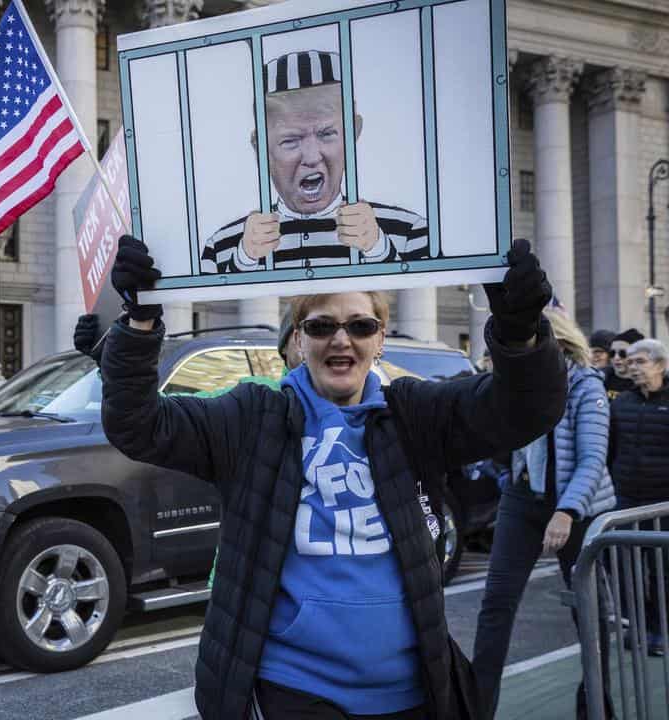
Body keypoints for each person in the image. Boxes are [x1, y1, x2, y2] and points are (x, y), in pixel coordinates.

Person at [100, 235, 565, 719]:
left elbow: (526, 410)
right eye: (322, 326)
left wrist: (519, 335)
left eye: (360, 326)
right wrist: (139, 323)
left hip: (411, 694)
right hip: (295, 691)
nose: (341, 340)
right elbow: (138, 425)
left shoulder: (413, 414)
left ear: (380, 339)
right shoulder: (253, 418)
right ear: (298, 340)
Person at [472, 308, 617, 717]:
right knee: (495, 605)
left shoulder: (586, 384)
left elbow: (592, 458)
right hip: (524, 499)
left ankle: (595, 707)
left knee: (589, 611)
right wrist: (509, 478)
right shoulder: (522, 383)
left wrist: (567, 511)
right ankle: (477, 709)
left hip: (579, 508)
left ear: (555, 341)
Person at [199, 50, 428, 273]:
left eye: (326, 133)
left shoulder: (410, 233)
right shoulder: (221, 248)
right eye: (290, 140)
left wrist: (378, 248)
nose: (311, 157)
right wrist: (244, 259)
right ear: (260, 147)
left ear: (353, 132)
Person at [607, 337, 669, 657]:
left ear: (660, 365)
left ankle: (661, 630)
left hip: (664, 504)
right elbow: (610, 450)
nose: (632, 367)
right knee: (627, 567)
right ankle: (642, 625)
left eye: (640, 361)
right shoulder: (622, 403)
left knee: (662, 571)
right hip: (627, 500)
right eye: (630, 362)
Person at [603, 328, 643, 399]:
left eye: (623, 353)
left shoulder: (645, 384)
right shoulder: (601, 379)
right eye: (612, 353)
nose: (616, 358)